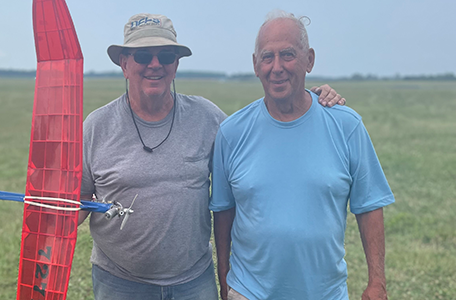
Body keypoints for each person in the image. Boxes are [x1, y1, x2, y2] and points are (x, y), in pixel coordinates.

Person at [79, 13, 344, 300]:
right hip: (119, 282)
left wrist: (312, 100)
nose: (155, 65)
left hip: (193, 281)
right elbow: (74, 201)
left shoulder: (208, 119)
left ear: (176, 65)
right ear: (124, 64)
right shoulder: (96, 127)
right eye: (143, 57)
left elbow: (260, 133)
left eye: (166, 56)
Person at [210, 10, 395, 300]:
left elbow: (369, 206)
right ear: (255, 65)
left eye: (288, 54)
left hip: (325, 293)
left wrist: (377, 283)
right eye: (267, 57)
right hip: (248, 292)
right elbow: (223, 212)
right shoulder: (231, 132)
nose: (277, 67)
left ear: (309, 59)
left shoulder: (346, 125)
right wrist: (225, 283)